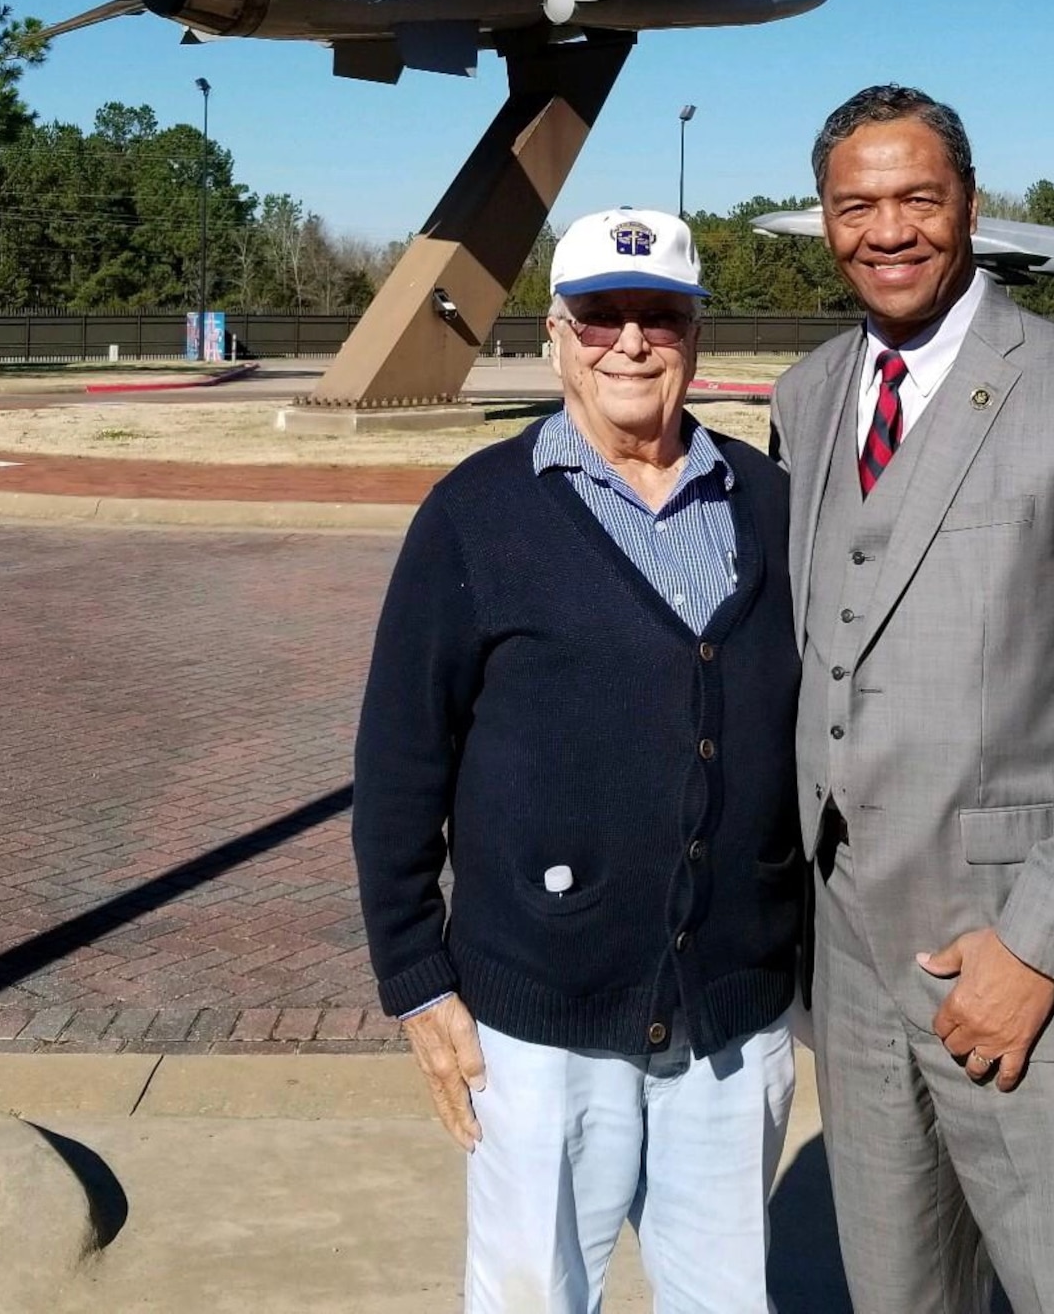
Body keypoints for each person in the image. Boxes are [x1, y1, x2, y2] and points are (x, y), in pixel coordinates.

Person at [770, 85, 1054, 1314]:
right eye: (857, 204)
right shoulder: (804, 399)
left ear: (967, 206)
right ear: (826, 219)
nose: (887, 228)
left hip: (1019, 960)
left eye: (917, 197)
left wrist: (1042, 948)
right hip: (849, 964)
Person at [353, 207, 802, 1314]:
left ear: (698, 336)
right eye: (601, 314)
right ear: (555, 332)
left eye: (660, 314)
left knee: (728, 1295)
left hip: (731, 1015)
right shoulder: (476, 514)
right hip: (538, 1015)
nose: (630, 342)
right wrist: (416, 976)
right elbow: (401, 756)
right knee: (531, 1294)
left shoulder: (774, 507)